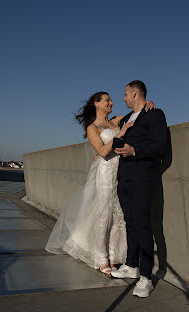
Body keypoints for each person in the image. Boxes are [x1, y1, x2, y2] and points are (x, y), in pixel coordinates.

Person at [45, 91, 154, 275]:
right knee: (103, 214)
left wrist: (147, 104)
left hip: (120, 172)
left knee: (116, 215)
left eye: (110, 100)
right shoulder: (92, 127)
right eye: (107, 100)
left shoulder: (116, 121)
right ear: (97, 104)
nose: (111, 103)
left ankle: (112, 257)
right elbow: (103, 152)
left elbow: (137, 113)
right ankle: (100, 258)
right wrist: (120, 133)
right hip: (105, 172)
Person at [111, 80, 168, 298]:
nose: (123, 98)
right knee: (130, 224)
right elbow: (116, 143)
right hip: (124, 179)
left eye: (125, 94)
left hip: (144, 180)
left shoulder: (155, 114)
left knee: (144, 227)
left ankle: (146, 277)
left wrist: (135, 150)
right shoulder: (125, 119)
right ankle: (131, 265)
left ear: (135, 94)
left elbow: (160, 146)